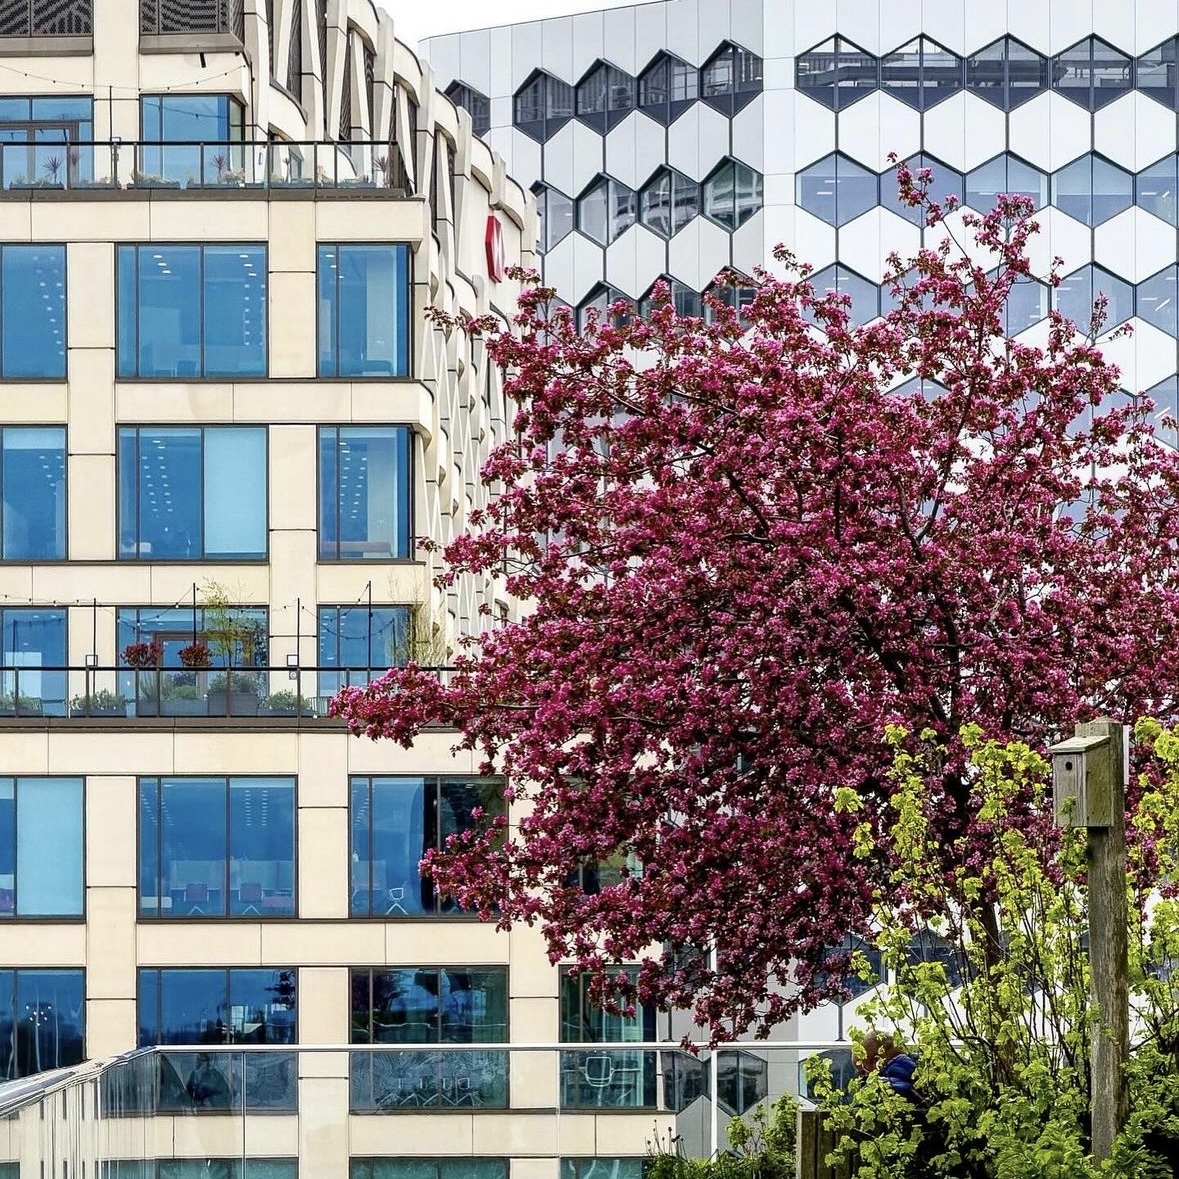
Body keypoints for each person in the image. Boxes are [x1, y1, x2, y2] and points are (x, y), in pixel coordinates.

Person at [858, 1030, 919, 1102]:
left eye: (863, 1072)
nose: (862, 1078)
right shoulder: (928, 1070)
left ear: (876, 1061)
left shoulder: (879, 1090)